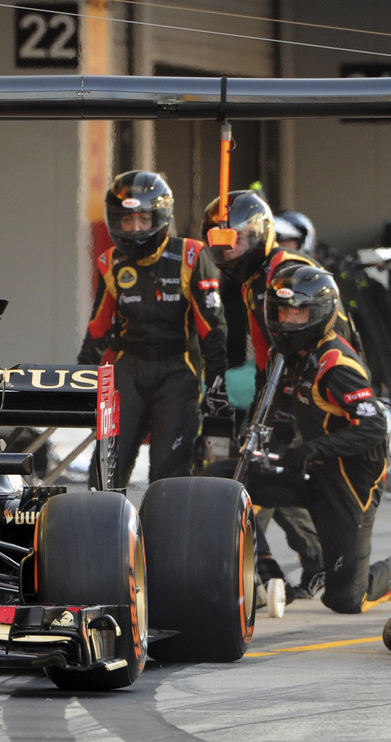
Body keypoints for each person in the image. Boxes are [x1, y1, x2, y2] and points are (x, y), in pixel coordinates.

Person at [212, 264, 391, 614]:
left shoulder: (336, 364)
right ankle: (261, 571)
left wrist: (313, 448)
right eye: (282, 311)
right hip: (309, 469)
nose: (288, 320)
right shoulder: (286, 355)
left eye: (299, 312)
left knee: (346, 599)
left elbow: (374, 427)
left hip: (349, 483)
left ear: (320, 313)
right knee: (220, 480)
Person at [201, 190, 331, 600]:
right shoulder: (251, 282)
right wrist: (265, 402)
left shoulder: (289, 272)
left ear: (257, 234)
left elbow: (329, 340)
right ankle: (284, 566)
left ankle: (302, 565)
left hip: (318, 391)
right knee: (262, 470)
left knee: (264, 474)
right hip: (279, 389)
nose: (228, 251)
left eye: (236, 240)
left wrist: (292, 402)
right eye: (219, 242)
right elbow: (264, 353)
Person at [77, 170, 228, 487]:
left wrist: (216, 384)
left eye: (143, 219)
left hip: (178, 372)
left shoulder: (191, 256)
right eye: (127, 220)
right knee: (105, 471)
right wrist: (80, 378)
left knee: (167, 476)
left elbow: (212, 329)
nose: (135, 228)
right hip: (127, 371)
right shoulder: (110, 262)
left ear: (159, 217)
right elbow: (98, 328)